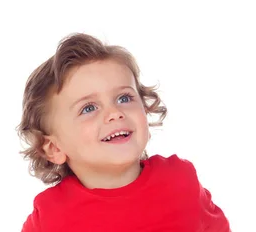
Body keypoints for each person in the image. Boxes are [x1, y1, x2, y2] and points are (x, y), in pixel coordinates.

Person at [16, 33, 231, 232]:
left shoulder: (181, 181)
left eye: (124, 98)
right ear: (54, 147)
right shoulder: (50, 216)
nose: (114, 113)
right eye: (89, 108)